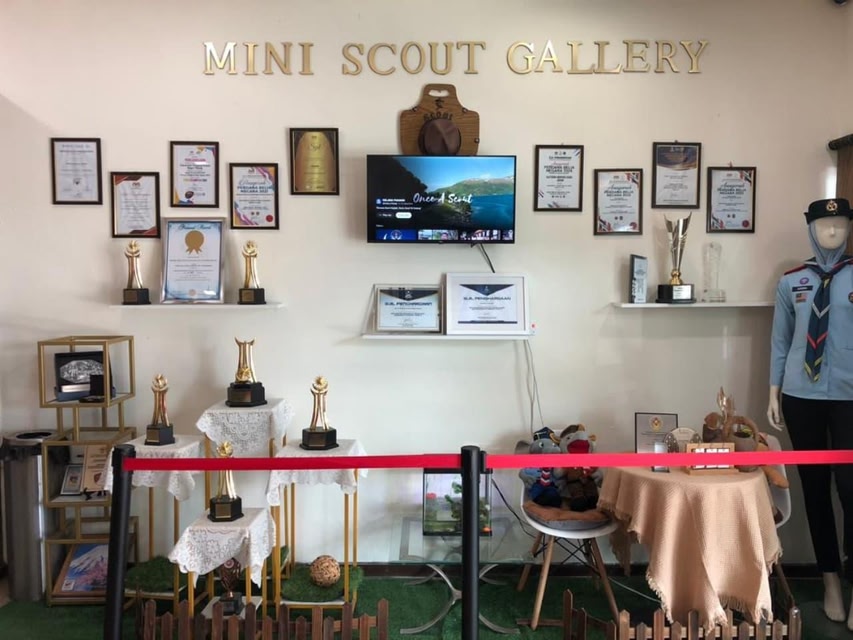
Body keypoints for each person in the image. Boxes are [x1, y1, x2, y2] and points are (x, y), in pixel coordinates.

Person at [767, 197, 853, 628]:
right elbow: (781, 341)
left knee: (851, 491)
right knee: (815, 492)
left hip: (850, 398)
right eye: (823, 225)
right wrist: (774, 391)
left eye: (840, 223)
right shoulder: (792, 281)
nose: (832, 231)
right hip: (801, 397)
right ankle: (830, 581)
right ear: (811, 230)